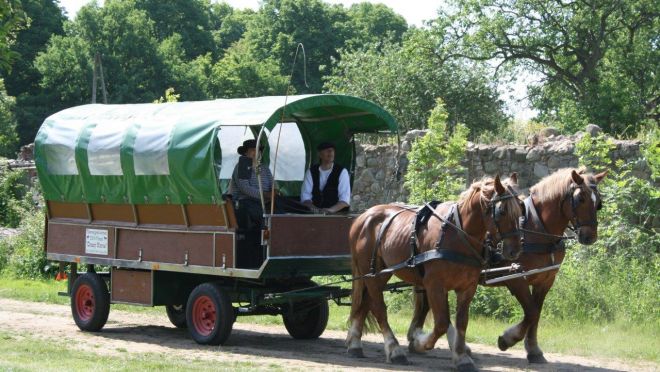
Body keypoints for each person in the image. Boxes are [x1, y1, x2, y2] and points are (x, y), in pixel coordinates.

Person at [230, 139, 274, 228]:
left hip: (265, 202)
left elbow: (272, 185)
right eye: (253, 150)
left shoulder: (265, 168)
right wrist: (265, 195)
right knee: (261, 215)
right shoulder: (242, 166)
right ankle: (261, 239)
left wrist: (274, 192)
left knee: (281, 213)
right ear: (246, 153)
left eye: (258, 150)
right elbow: (245, 188)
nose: (256, 153)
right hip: (246, 202)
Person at [301, 142, 350, 213]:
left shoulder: (342, 172)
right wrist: (314, 209)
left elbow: (345, 200)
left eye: (332, 150)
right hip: (314, 215)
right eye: (327, 150)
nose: (330, 152)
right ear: (319, 154)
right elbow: (305, 196)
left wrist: (331, 210)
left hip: (337, 215)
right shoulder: (311, 172)